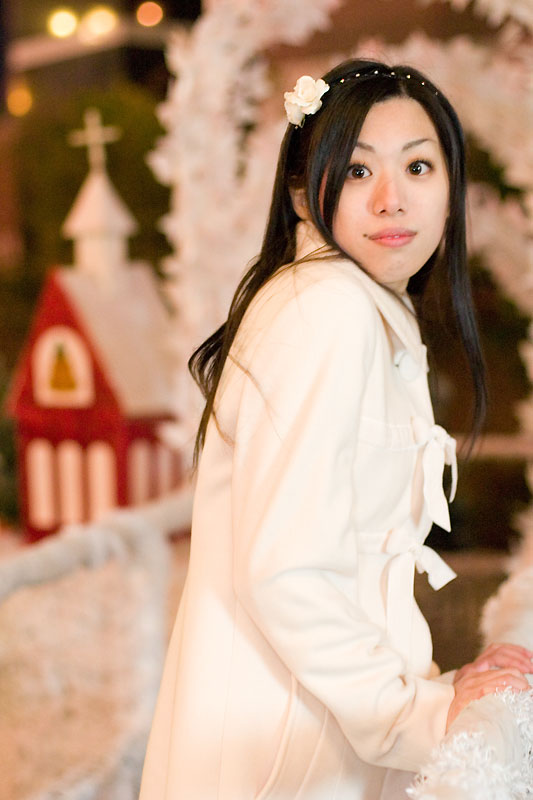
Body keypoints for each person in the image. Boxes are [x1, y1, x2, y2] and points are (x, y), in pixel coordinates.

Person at [139, 59, 532, 800]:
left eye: (417, 166)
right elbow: (285, 571)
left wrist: (430, 692)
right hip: (286, 750)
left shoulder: (355, 303)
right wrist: (418, 714)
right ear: (302, 193)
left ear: (451, 189)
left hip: (312, 729)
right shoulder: (327, 311)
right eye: (356, 172)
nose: (391, 199)